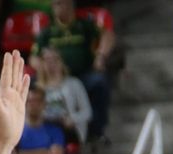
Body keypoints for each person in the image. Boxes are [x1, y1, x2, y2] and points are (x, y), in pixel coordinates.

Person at [30, 0, 115, 142]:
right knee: (31, 86)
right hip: (55, 77)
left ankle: (96, 130)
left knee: (99, 82)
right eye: (54, 4)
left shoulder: (84, 25)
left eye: (59, 3)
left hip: (83, 74)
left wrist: (100, 56)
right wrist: (45, 68)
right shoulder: (48, 32)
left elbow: (108, 36)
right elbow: (33, 57)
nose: (56, 7)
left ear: (70, 4)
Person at [37, 46, 92, 144]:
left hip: (67, 128)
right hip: (45, 127)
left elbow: (87, 112)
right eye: (47, 60)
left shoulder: (74, 84)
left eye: (55, 59)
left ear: (61, 62)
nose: (51, 63)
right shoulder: (38, 88)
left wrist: (72, 119)